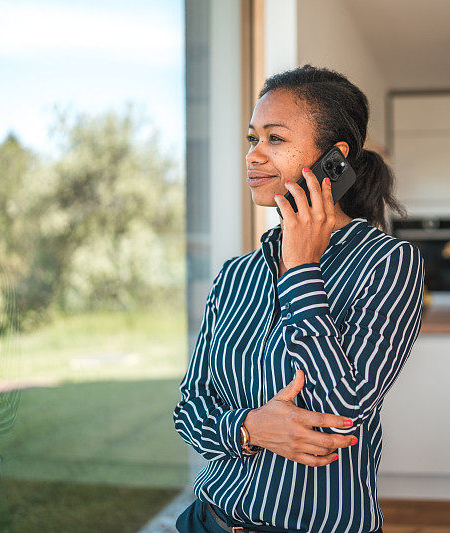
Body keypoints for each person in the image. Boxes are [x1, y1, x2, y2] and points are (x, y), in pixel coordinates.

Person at [173, 64, 425, 533]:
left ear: (334, 157)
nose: (253, 156)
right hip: (206, 519)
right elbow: (190, 409)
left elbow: (341, 413)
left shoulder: (388, 262)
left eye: (275, 139)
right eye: (252, 139)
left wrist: (302, 269)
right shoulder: (235, 275)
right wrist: (249, 429)